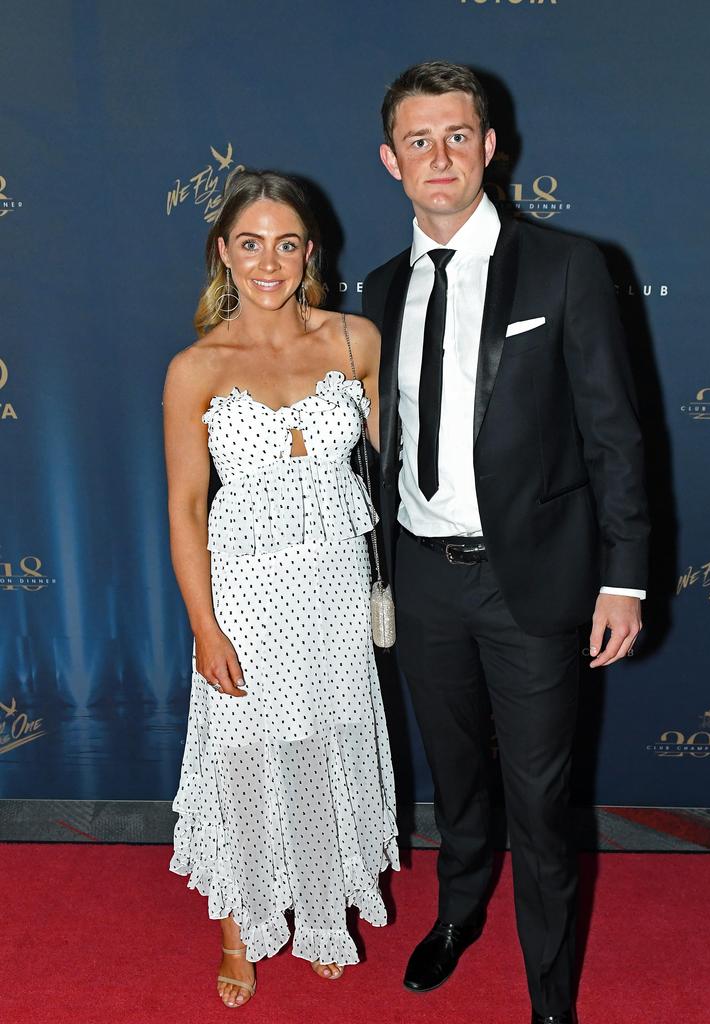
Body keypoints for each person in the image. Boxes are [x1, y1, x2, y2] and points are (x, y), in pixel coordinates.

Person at [362, 62, 649, 1024]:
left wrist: (627, 580)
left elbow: (615, 433)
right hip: (422, 579)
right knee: (456, 778)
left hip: (532, 583)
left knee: (541, 800)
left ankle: (552, 996)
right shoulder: (381, 285)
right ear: (391, 160)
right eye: (418, 140)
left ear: (490, 148)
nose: (438, 156)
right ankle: (456, 914)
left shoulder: (566, 266)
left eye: (456, 137)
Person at [163, 169, 398, 1009]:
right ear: (224, 252)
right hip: (246, 595)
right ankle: (239, 925)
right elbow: (187, 508)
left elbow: (408, 459)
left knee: (321, 742)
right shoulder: (197, 367)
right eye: (251, 243)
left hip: (333, 587)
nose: (270, 261)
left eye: (287, 243)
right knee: (245, 755)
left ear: (310, 252)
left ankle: (325, 910)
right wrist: (205, 625)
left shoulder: (355, 342)